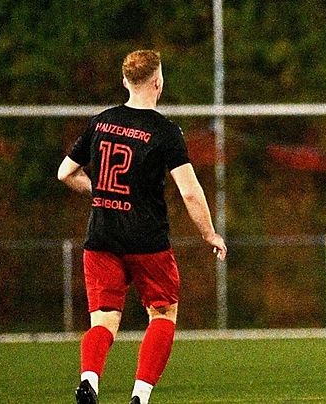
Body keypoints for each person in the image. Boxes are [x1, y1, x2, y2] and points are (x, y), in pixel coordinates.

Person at [58, 50, 227, 404]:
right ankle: (140, 396)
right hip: (147, 241)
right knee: (163, 312)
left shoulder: (100, 122)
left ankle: (89, 380)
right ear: (158, 82)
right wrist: (209, 233)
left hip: (101, 236)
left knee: (103, 321)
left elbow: (65, 173)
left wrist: (101, 192)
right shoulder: (165, 132)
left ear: (124, 82)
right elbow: (190, 191)